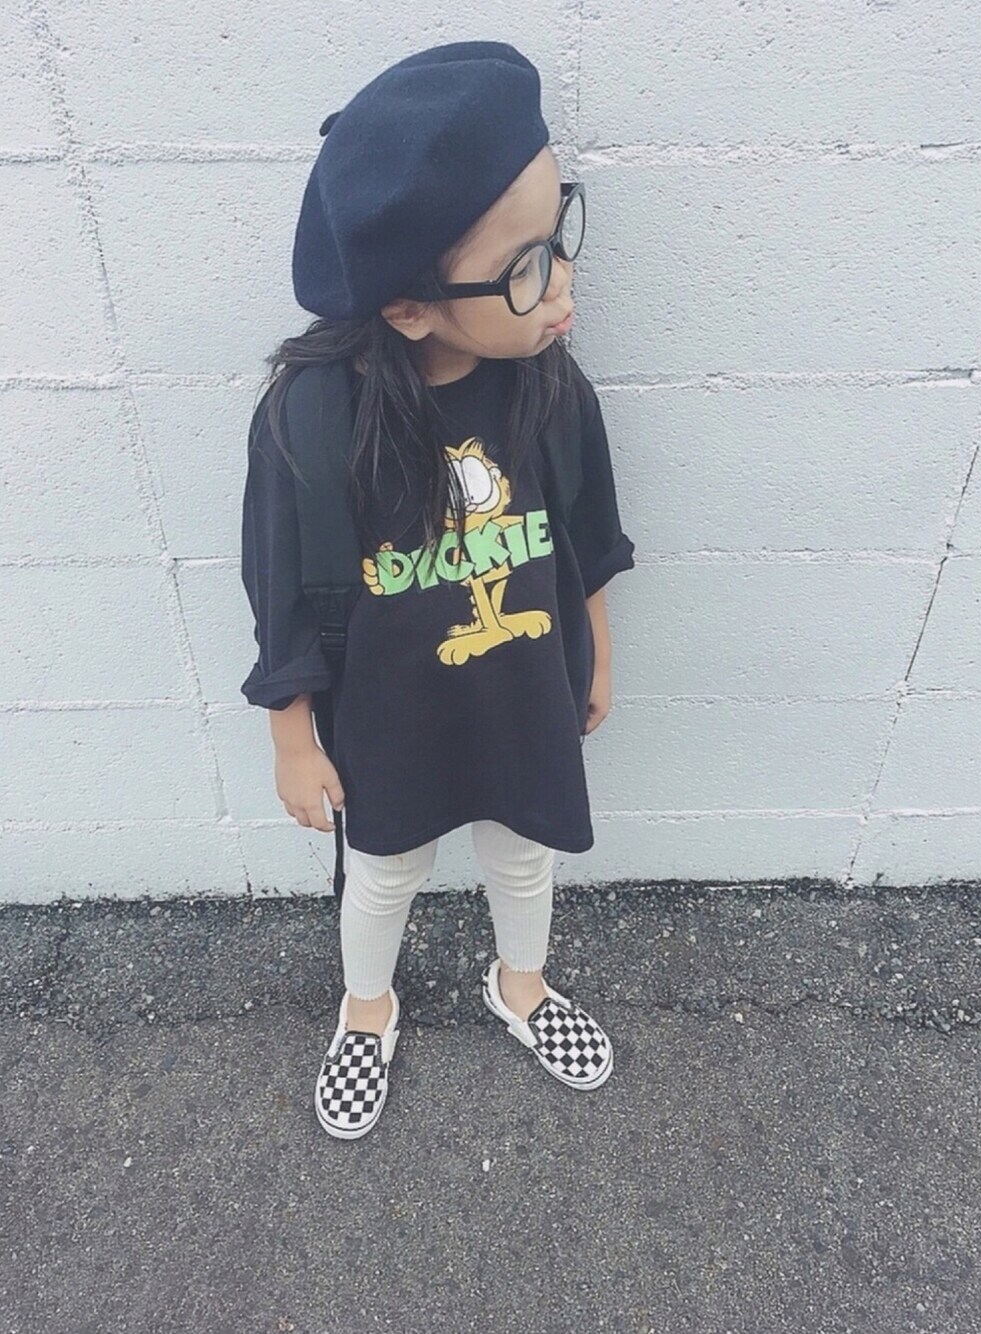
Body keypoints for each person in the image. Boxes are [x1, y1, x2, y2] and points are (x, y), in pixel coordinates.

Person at [239, 41, 636, 1140]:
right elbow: (278, 585)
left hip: (523, 692)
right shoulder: (313, 422)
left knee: (524, 853)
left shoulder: (550, 390)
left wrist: (597, 651)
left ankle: (521, 985)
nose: (562, 283)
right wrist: (292, 739)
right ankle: (367, 1008)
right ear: (411, 308)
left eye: (558, 238)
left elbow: (586, 536)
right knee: (383, 873)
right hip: (391, 715)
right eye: (525, 268)